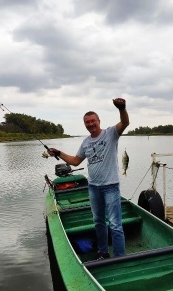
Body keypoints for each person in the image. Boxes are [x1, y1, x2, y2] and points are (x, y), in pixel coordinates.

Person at [47, 98, 129, 259]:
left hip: (111, 186)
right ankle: (103, 252)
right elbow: (75, 161)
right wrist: (58, 153)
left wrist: (122, 108)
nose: (90, 124)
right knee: (98, 222)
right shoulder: (85, 142)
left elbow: (125, 122)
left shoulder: (111, 133)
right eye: (87, 122)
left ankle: (120, 257)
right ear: (85, 125)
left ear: (99, 121)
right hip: (93, 187)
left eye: (93, 121)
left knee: (115, 224)